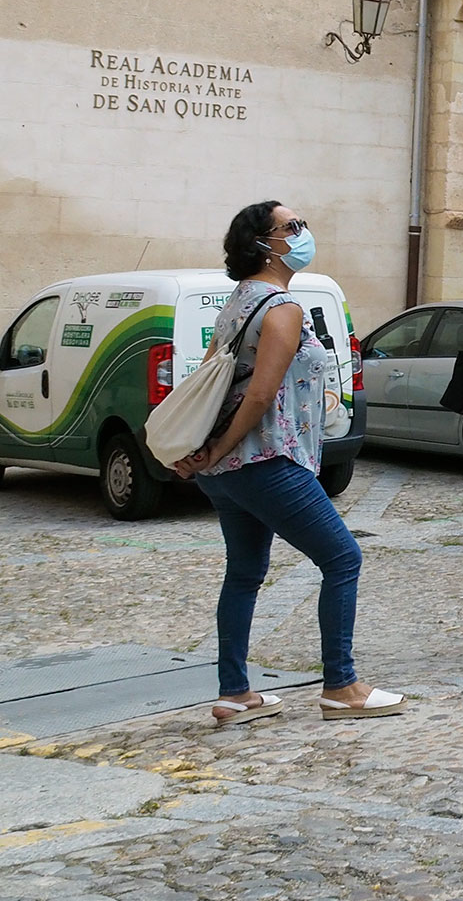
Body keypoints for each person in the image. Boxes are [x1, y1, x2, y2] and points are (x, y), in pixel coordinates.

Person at [172, 201, 404, 723]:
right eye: (292, 227)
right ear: (265, 243)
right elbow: (257, 398)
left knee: (245, 572)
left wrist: (208, 455)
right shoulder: (280, 307)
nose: (303, 233)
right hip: (267, 459)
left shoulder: (239, 301)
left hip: (230, 472)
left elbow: (211, 376)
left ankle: (235, 694)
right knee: (343, 559)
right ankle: (341, 686)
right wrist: (222, 448)